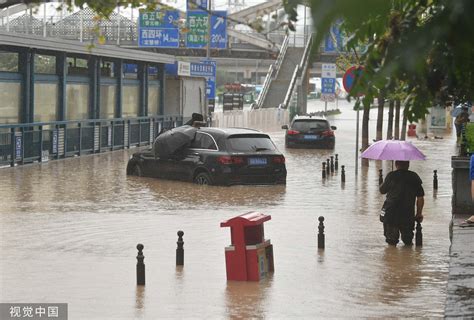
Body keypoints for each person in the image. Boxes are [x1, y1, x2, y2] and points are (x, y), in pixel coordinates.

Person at [379, 161, 425, 246]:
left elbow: (382, 190)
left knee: (391, 243)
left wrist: (383, 180)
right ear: (408, 165)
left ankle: (392, 257)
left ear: (396, 165)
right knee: (408, 242)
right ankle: (409, 257)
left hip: (391, 212)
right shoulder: (414, 177)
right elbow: (420, 197)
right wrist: (419, 213)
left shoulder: (391, 176)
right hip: (407, 213)